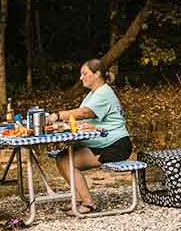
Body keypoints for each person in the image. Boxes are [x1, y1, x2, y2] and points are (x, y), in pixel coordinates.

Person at [52, 59, 133, 212]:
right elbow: (88, 119)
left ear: (97, 74)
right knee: (62, 158)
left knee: (66, 160)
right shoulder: (93, 94)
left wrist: (58, 115)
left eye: (85, 74)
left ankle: (88, 203)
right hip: (103, 142)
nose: (81, 78)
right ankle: (79, 199)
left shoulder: (104, 92)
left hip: (115, 145)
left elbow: (84, 113)